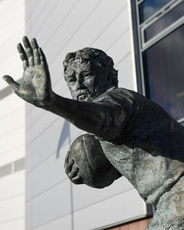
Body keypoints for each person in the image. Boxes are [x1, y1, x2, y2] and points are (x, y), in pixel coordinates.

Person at [3, 36, 184, 229]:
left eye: (86, 75)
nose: (78, 84)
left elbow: (103, 118)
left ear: (107, 77)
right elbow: (137, 160)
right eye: (72, 79)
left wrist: (51, 101)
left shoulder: (119, 99)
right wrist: (87, 169)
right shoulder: (121, 120)